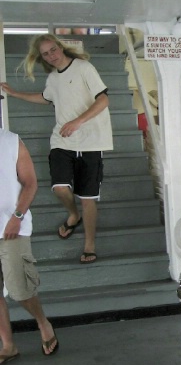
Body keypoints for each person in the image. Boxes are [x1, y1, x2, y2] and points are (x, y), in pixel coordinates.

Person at [0, 34, 113, 264]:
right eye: (45, 53)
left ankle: (89, 245)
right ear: (41, 57)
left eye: (53, 49)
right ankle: (73, 215)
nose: (51, 55)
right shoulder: (53, 78)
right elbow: (45, 97)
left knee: (88, 198)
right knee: (60, 188)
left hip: (91, 141)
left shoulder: (83, 67)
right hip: (62, 141)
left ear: (60, 47)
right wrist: (14, 94)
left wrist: (78, 121)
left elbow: (103, 100)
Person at [0, 128, 59, 365]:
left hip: (11, 227)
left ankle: (42, 321)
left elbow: (30, 183)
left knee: (20, 290)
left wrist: (17, 216)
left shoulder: (11, 141)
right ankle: (8, 346)